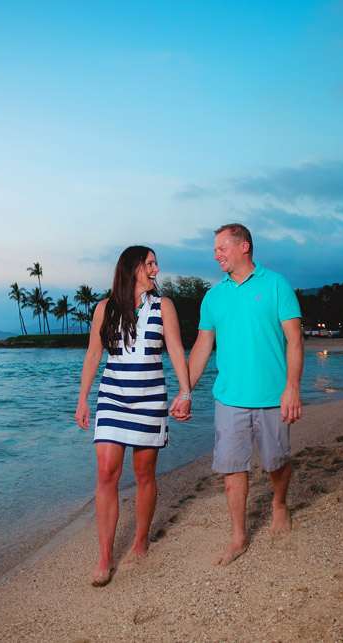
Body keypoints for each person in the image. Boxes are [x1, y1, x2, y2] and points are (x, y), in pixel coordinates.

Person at [75, 246, 193, 586]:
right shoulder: (104, 309)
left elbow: (174, 350)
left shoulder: (163, 306)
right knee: (106, 473)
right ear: (133, 268)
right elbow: (93, 355)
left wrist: (185, 393)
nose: (157, 269)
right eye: (151, 263)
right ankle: (105, 555)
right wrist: (82, 400)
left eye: (156, 263)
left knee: (144, 474)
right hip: (112, 397)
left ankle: (141, 537)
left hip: (150, 399)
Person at [188, 223, 303, 566]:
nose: (216, 255)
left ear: (244, 247)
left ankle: (279, 504)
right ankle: (238, 536)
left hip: (272, 395)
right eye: (214, 250)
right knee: (231, 468)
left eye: (222, 248)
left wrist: (292, 388)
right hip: (229, 398)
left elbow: (295, 339)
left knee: (277, 462)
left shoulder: (276, 284)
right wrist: (185, 391)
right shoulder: (213, 296)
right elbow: (202, 346)